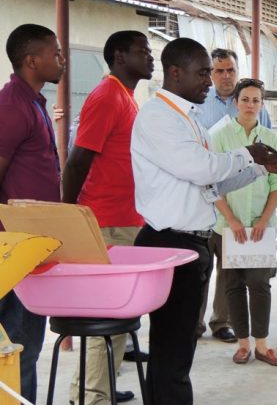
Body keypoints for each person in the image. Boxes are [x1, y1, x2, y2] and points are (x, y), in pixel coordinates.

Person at [130, 37, 277, 404]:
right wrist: (247, 152)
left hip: (190, 242)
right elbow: (199, 168)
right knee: (172, 350)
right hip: (169, 242)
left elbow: (213, 181)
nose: (211, 81)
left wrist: (261, 167)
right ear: (175, 73)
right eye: (204, 72)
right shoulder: (158, 116)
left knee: (176, 349)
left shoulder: (187, 118)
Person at [62, 30, 154, 405]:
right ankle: (89, 397)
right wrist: (71, 216)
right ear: (119, 56)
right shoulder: (106, 95)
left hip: (126, 218)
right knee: (106, 317)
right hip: (107, 220)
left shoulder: (125, 95)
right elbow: (78, 158)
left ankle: (102, 387)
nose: (150, 57)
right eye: (142, 51)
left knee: (120, 318)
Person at [0, 23, 65, 404]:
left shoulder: (34, 102)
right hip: (13, 249)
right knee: (19, 350)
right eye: (54, 53)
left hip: (31, 248)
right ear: (31, 60)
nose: (62, 59)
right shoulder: (12, 105)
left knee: (26, 348)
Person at [195, 48, 272, 344]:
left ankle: (220, 322)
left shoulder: (254, 106)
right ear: (210, 73)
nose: (225, 76)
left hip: (243, 200)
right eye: (219, 71)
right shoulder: (200, 104)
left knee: (229, 273)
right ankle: (195, 324)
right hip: (209, 203)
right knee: (202, 270)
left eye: (230, 70)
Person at [210, 78, 277, 367]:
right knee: (233, 285)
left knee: (259, 283)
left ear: (262, 104)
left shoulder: (271, 138)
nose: (250, 105)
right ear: (235, 102)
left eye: (256, 100)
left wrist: (264, 220)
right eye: (245, 99)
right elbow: (212, 182)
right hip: (227, 227)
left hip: (261, 228)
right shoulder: (220, 137)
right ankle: (243, 344)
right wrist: (231, 220)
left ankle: (263, 345)